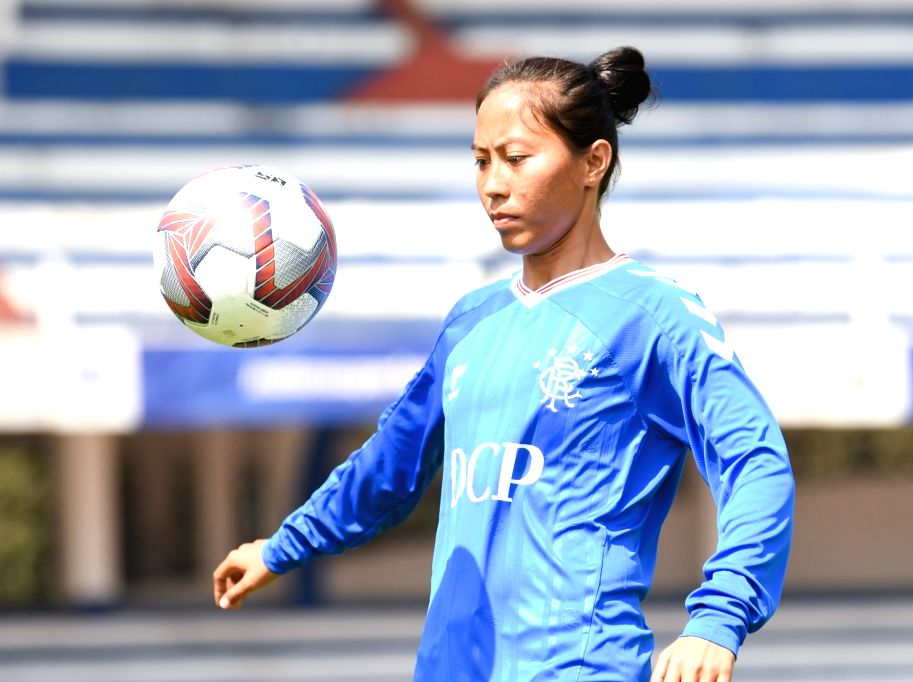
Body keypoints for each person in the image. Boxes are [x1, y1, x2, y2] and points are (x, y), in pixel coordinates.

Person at [213, 46, 795, 682]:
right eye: (481, 160)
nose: (493, 184)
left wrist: (718, 618)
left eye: (516, 158)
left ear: (594, 162)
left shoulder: (653, 314)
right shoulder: (472, 319)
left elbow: (755, 460)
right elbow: (389, 465)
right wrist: (282, 546)